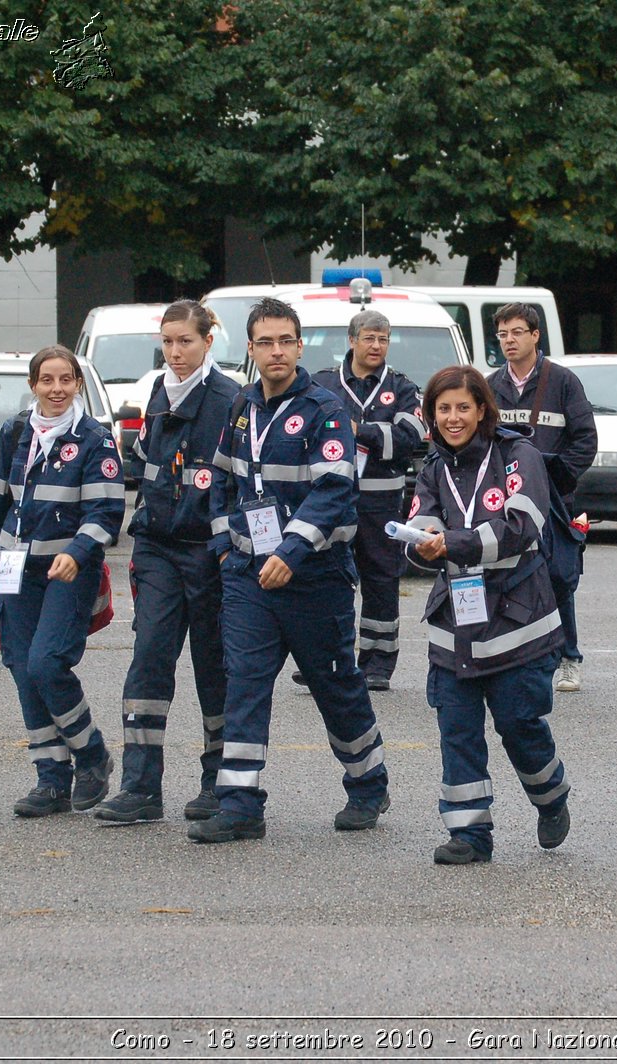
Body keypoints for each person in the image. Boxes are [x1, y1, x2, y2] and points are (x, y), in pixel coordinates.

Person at [189, 297, 391, 844]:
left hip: (314, 577)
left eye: (285, 341)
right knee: (244, 686)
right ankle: (240, 803)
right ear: (250, 350)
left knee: (335, 686)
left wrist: (290, 553)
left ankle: (368, 783)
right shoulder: (241, 408)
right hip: (249, 576)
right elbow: (221, 483)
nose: (276, 351)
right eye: (265, 342)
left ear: (300, 347)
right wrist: (227, 552)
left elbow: (333, 490)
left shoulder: (326, 409)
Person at [404, 365, 571, 863]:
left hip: (518, 624)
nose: (453, 418)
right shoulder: (433, 467)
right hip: (454, 623)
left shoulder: (520, 455)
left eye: (463, 407)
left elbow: (523, 526)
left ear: (482, 410)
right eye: (443, 409)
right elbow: (421, 525)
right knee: (457, 730)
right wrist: (421, 546)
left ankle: (551, 797)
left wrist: (451, 543)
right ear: (432, 416)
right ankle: (470, 836)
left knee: (520, 727)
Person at [95, 300, 242, 825]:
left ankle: (218, 786)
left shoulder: (230, 399)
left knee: (214, 669)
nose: (176, 352)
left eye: (186, 342)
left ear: (208, 342)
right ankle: (140, 788)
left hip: (208, 553)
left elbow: (234, 484)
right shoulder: (158, 391)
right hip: (158, 547)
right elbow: (147, 465)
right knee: (150, 659)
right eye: (168, 342)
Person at [0, 345, 125, 817]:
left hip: (68, 571)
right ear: (33, 384)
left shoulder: (95, 438)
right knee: (21, 666)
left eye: (66, 380)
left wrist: (77, 553)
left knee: (46, 663)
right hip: (17, 571)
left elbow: (106, 512)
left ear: (78, 384)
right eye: (47, 380)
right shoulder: (15, 430)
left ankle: (92, 754)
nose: (56, 389)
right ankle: (51, 779)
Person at [309, 309, 425, 690]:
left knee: (380, 579)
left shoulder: (403, 388)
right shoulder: (323, 383)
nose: (377, 346)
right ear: (352, 340)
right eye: (370, 338)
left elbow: (411, 438)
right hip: (332, 498)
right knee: (327, 578)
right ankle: (325, 659)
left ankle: (377, 663)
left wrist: (364, 432)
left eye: (384, 339)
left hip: (381, 503)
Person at [487, 303, 596, 693]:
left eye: (517, 332)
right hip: (503, 502)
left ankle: (568, 658)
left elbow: (586, 440)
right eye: (503, 334)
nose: (509, 341)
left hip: (554, 501)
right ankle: (516, 655)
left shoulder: (563, 382)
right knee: (508, 575)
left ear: (535, 336)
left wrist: (556, 480)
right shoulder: (490, 385)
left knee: (559, 577)